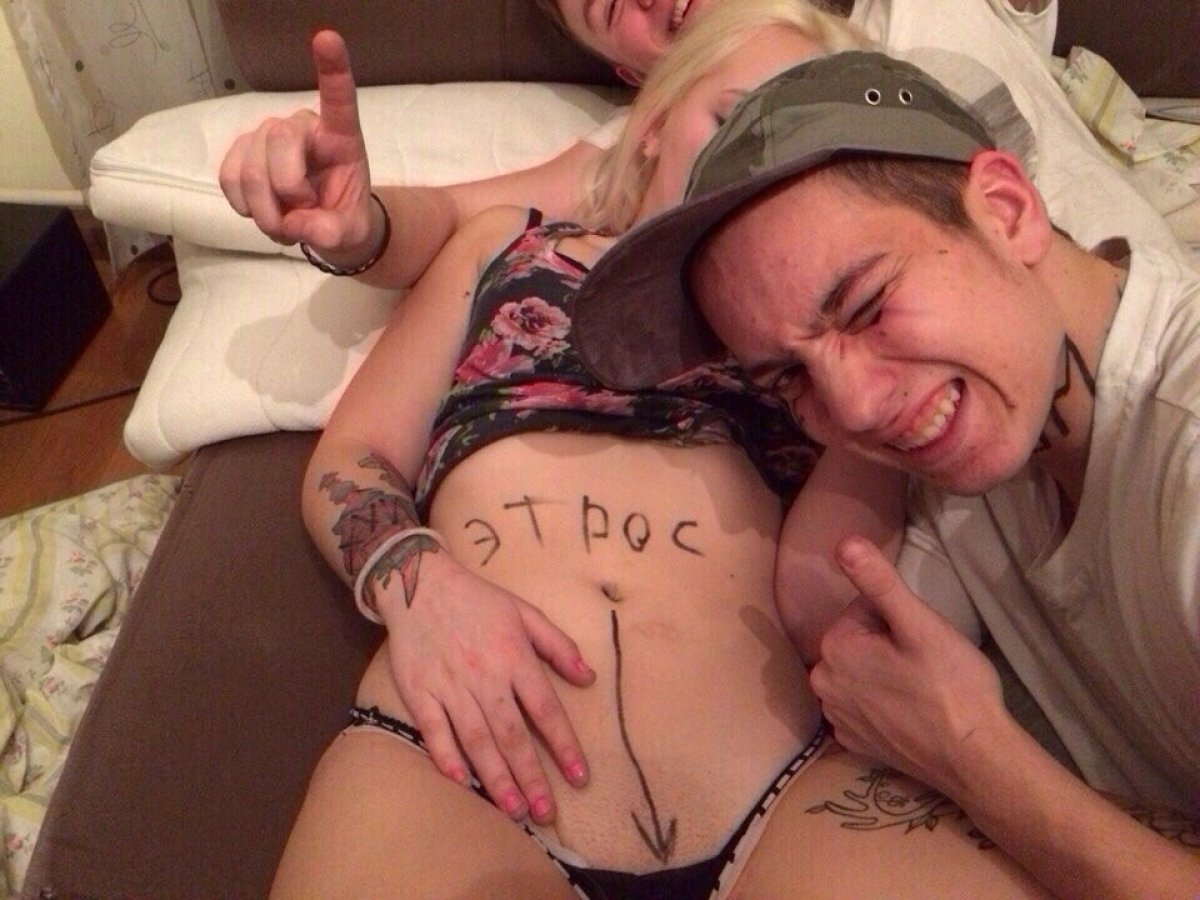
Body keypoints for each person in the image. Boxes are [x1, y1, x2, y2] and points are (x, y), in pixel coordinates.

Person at [268, 8, 1060, 897]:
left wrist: (858, 398)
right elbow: (355, 452)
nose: (754, 170)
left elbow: (822, 600)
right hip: (456, 770)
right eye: (733, 117)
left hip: (784, 798)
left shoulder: (829, 365)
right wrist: (422, 590)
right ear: (651, 125)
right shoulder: (508, 248)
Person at [572, 49, 1200, 898]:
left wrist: (973, 756)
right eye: (788, 379)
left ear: (1008, 211)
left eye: (868, 306)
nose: (856, 409)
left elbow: (931, 720)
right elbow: (837, 632)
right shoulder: (980, 441)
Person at [218, 0, 1182, 300]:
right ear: (635, 77)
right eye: (611, 9)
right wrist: (360, 224)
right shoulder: (665, 146)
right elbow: (452, 219)